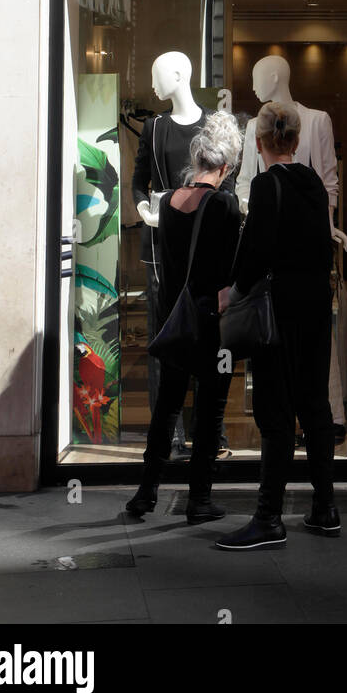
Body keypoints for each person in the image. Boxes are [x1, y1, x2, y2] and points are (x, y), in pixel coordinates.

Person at [215, 102, 338, 552]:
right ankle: (325, 507)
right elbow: (322, 248)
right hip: (314, 306)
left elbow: (255, 252)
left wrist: (233, 288)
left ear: (260, 142)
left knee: (275, 410)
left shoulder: (267, 186)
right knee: (315, 404)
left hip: (279, 308)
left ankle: (268, 517)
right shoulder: (313, 184)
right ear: (296, 138)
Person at [125, 111, 242, 525]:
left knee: (167, 409)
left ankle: (145, 493)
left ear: (197, 160)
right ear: (225, 166)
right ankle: (199, 499)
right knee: (209, 412)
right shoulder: (226, 206)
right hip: (210, 325)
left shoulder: (170, 203)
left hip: (174, 320)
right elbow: (231, 273)